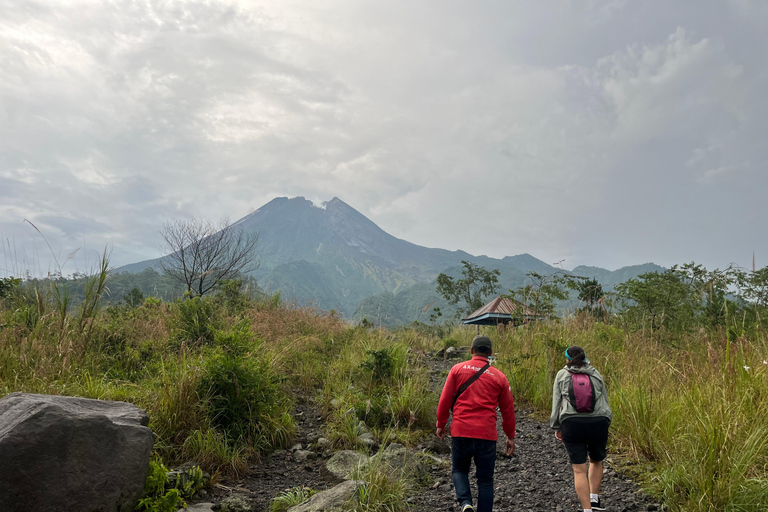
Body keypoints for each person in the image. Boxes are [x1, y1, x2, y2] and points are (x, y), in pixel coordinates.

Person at [436, 335, 516, 512]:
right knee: (485, 480)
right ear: (490, 353)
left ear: (472, 351)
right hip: (486, 434)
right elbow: (508, 411)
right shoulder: (500, 377)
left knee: (459, 470)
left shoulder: (457, 370)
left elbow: (445, 400)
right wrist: (510, 436)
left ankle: (465, 503)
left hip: (460, 430)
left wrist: (441, 424)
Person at [550, 345, 612, 512]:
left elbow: (556, 403)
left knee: (579, 470)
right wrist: (606, 422)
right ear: (585, 357)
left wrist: (556, 426)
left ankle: (587, 510)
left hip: (571, 423)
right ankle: (594, 499)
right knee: (596, 460)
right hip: (598, 421)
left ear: (567, 359)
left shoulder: (562, 374)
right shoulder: (595, 373)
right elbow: (604, 400)